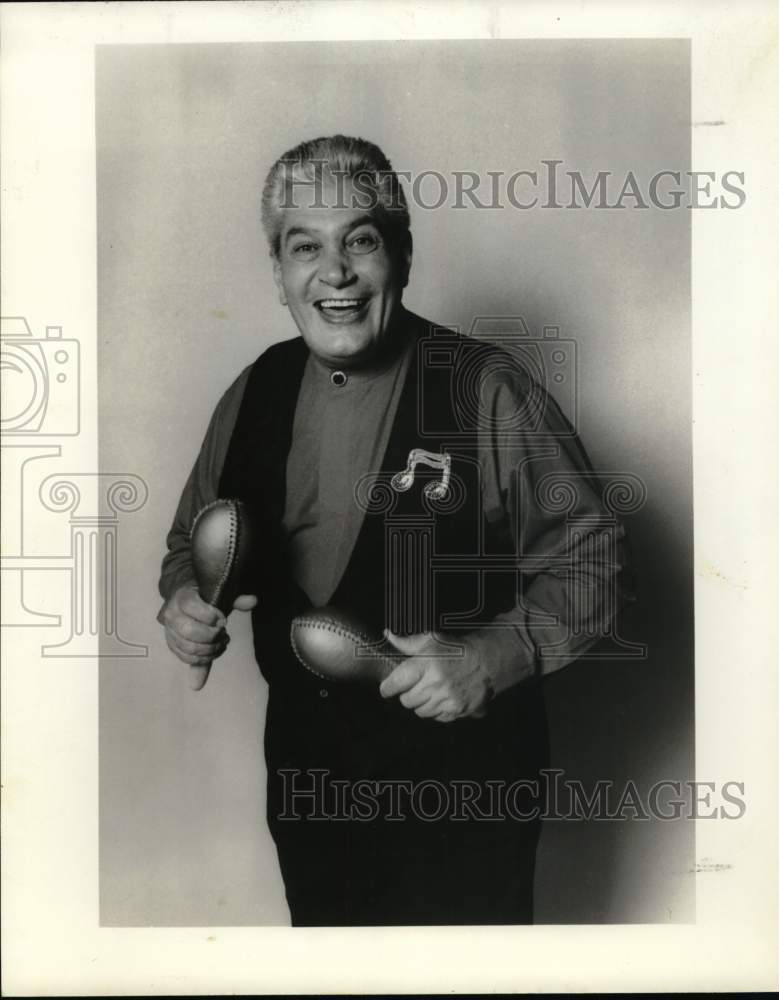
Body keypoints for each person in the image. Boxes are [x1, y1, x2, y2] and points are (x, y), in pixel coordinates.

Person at [158, 134, 634, 926]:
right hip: (308, 782)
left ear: (402, 256)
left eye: (360, 241)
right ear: (278, 273)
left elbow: (594, 560)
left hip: (467, 786)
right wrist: (183, 601)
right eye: (304, 247)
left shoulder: (486, 389)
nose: (334, 273)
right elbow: (189, 543)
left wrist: (492, 658)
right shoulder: (253, 390)